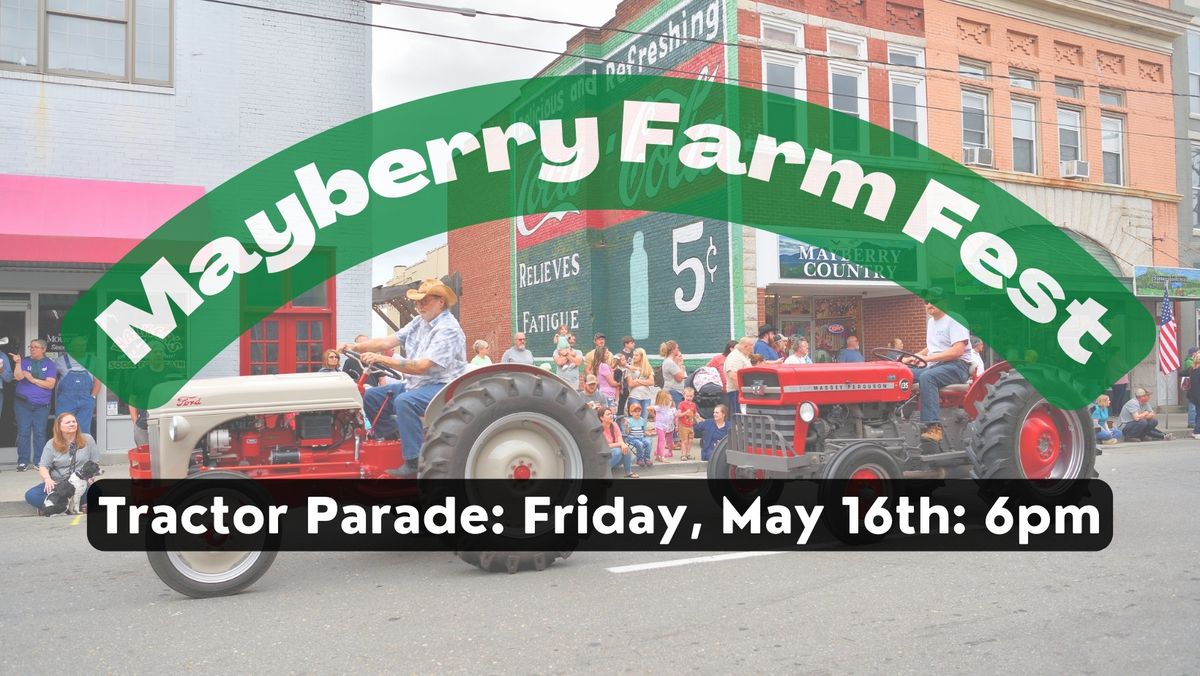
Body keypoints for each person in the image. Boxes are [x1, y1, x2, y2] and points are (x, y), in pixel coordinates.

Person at [338, 279, 467, 478]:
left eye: (424, 301)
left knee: (404, 402)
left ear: (441, 302)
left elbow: (422, 367)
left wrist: (380, 358)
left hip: (443, 387)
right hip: (416, 384)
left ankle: (414, 462)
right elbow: (386, 341)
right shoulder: (419, 322)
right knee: (371, 397)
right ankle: (394, 440)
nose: (419, 306)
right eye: (417, 302)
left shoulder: (448, 329)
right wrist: (352, 347)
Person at [902, 297, 975, 443]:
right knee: (902, 375)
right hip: (937, 366)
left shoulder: (955, 319)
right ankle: (899, 417)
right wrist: (913, 357)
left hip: (957, 366)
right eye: (926, 302)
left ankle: (933, 428)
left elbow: (957, 351)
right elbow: (933, 348)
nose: (929, 304)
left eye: (933, 300)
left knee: (927, 377)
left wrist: (928, 359)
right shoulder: (931, 322)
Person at [25, 412, 100, 513]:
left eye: (74, 421)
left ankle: (53, 508)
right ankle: (58, 507)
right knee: (31, 495)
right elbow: (43, 466)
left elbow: (94, 462)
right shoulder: (51, 444)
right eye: (68, 422)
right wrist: (47, 479)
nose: (72, 424)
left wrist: (90, 476)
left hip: (81, 482)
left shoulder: (88, 439)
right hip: (58, 484)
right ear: (59, 427)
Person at [10, 339, 58, 472]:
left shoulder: (49, 364)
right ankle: (22, 462)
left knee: (40, 433)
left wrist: (32, 379)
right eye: (31, 347)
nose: (32, 349)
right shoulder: (24, 361)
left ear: (43, 349)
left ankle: (39, 462)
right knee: (23, 432)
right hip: (23, 403)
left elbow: (50, 384)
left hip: (42, 404)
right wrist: (18, 363)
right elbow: (18, 377)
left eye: (36, 347)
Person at [54, 336, 100, 437]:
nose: (80, 348)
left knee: (83, 430)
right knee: (63, 428)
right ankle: (64, 451)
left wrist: (92, 397)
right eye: (77, 345)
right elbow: (53, 379)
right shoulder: (59, 361)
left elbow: (97, 382)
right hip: (66, 400)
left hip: (86, 399)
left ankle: (82, 452)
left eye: (82, 345)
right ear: (71, 347)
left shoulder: (93, 360)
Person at [597, 407, 637, 478]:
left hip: (614, 456)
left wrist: (622, 444)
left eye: (611, 414)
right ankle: (603, 472)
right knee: (617, 451)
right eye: (608, 414)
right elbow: (605, 446)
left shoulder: (614, 424)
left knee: (625, 449)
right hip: (604, 456)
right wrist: (621, 444)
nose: (611, 416)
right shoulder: (599, 429)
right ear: (601, 418)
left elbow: (619, 437)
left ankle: (629, 472)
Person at [723, 337, 755, 412]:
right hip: (736, 393)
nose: (752, 348)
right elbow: (733, 376)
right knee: (740, 418)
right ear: (745, 346)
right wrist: (743, 392)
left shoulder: (742, 355)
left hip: (742, 392)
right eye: (751, 345)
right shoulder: (735, 357)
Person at [626, 348, 655, 417]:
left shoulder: (647, 367)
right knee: (636, 418)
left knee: (644, 418)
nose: (634, 357)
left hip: (646, 396)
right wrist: (645, 382)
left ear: (642, 357)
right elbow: (630, 384)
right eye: (633, 355)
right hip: (634, 396)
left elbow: (651, 382)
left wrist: (638, 381)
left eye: (636, 355)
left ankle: (643, 428)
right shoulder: (630, 368)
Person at [623, 402, 653, 466]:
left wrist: (649, 433)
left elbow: (643, 431)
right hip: (632, 438)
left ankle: (647, 458)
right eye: (635, 411)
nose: (637, 413)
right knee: (639, 444)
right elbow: (627, 433)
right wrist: (626, 426)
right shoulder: (629, 420)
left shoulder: (642, 420)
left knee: (649, 442)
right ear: (631, 413)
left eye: (639, 411)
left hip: (641, 437)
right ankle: (639, 459)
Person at [651, 389, 677, 462]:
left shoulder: (671, 408)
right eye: (668, 400)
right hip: (660, 426)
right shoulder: (660, 407)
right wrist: (654, 415)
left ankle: (664, 453)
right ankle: (661, 456)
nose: (670, 401)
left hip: (668, 426)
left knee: (668, 441)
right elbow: (649, 408)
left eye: (671, 400)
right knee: (662, 440)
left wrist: (677, 425)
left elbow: (675, 417)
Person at [660, 340, 687, 406]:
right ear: (672, 350)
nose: (678, 349)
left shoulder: (670, 361)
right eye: (677, 348)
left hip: (676, 391)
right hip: (673, 392)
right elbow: (679, 379)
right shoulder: (670, 362)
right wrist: (682, 368)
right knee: (675, 413)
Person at [677, 387, 698, 461]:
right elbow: (678, 414)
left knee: (690, 440)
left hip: (690, 425)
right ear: (684, 395)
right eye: (687, 396)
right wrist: (685, 412)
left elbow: (695, 413)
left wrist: (698, 416)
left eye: (691, 396)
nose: (689, 398)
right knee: (684, 441)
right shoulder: (681, 404)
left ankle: (688, 454)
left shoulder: (693, 405)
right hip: (683, 425)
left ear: (693, 396)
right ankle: (683, 455)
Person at [612, 352, 630, 416]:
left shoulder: (626, 369)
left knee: (621, 406)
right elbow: (619, 381)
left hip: (624, 390)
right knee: (615, 406)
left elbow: (626, 380)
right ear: (618, 361)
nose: (625, 361)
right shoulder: (616, 369)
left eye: (625, 359)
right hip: (617, 390)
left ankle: (620, 419)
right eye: (623, 360)